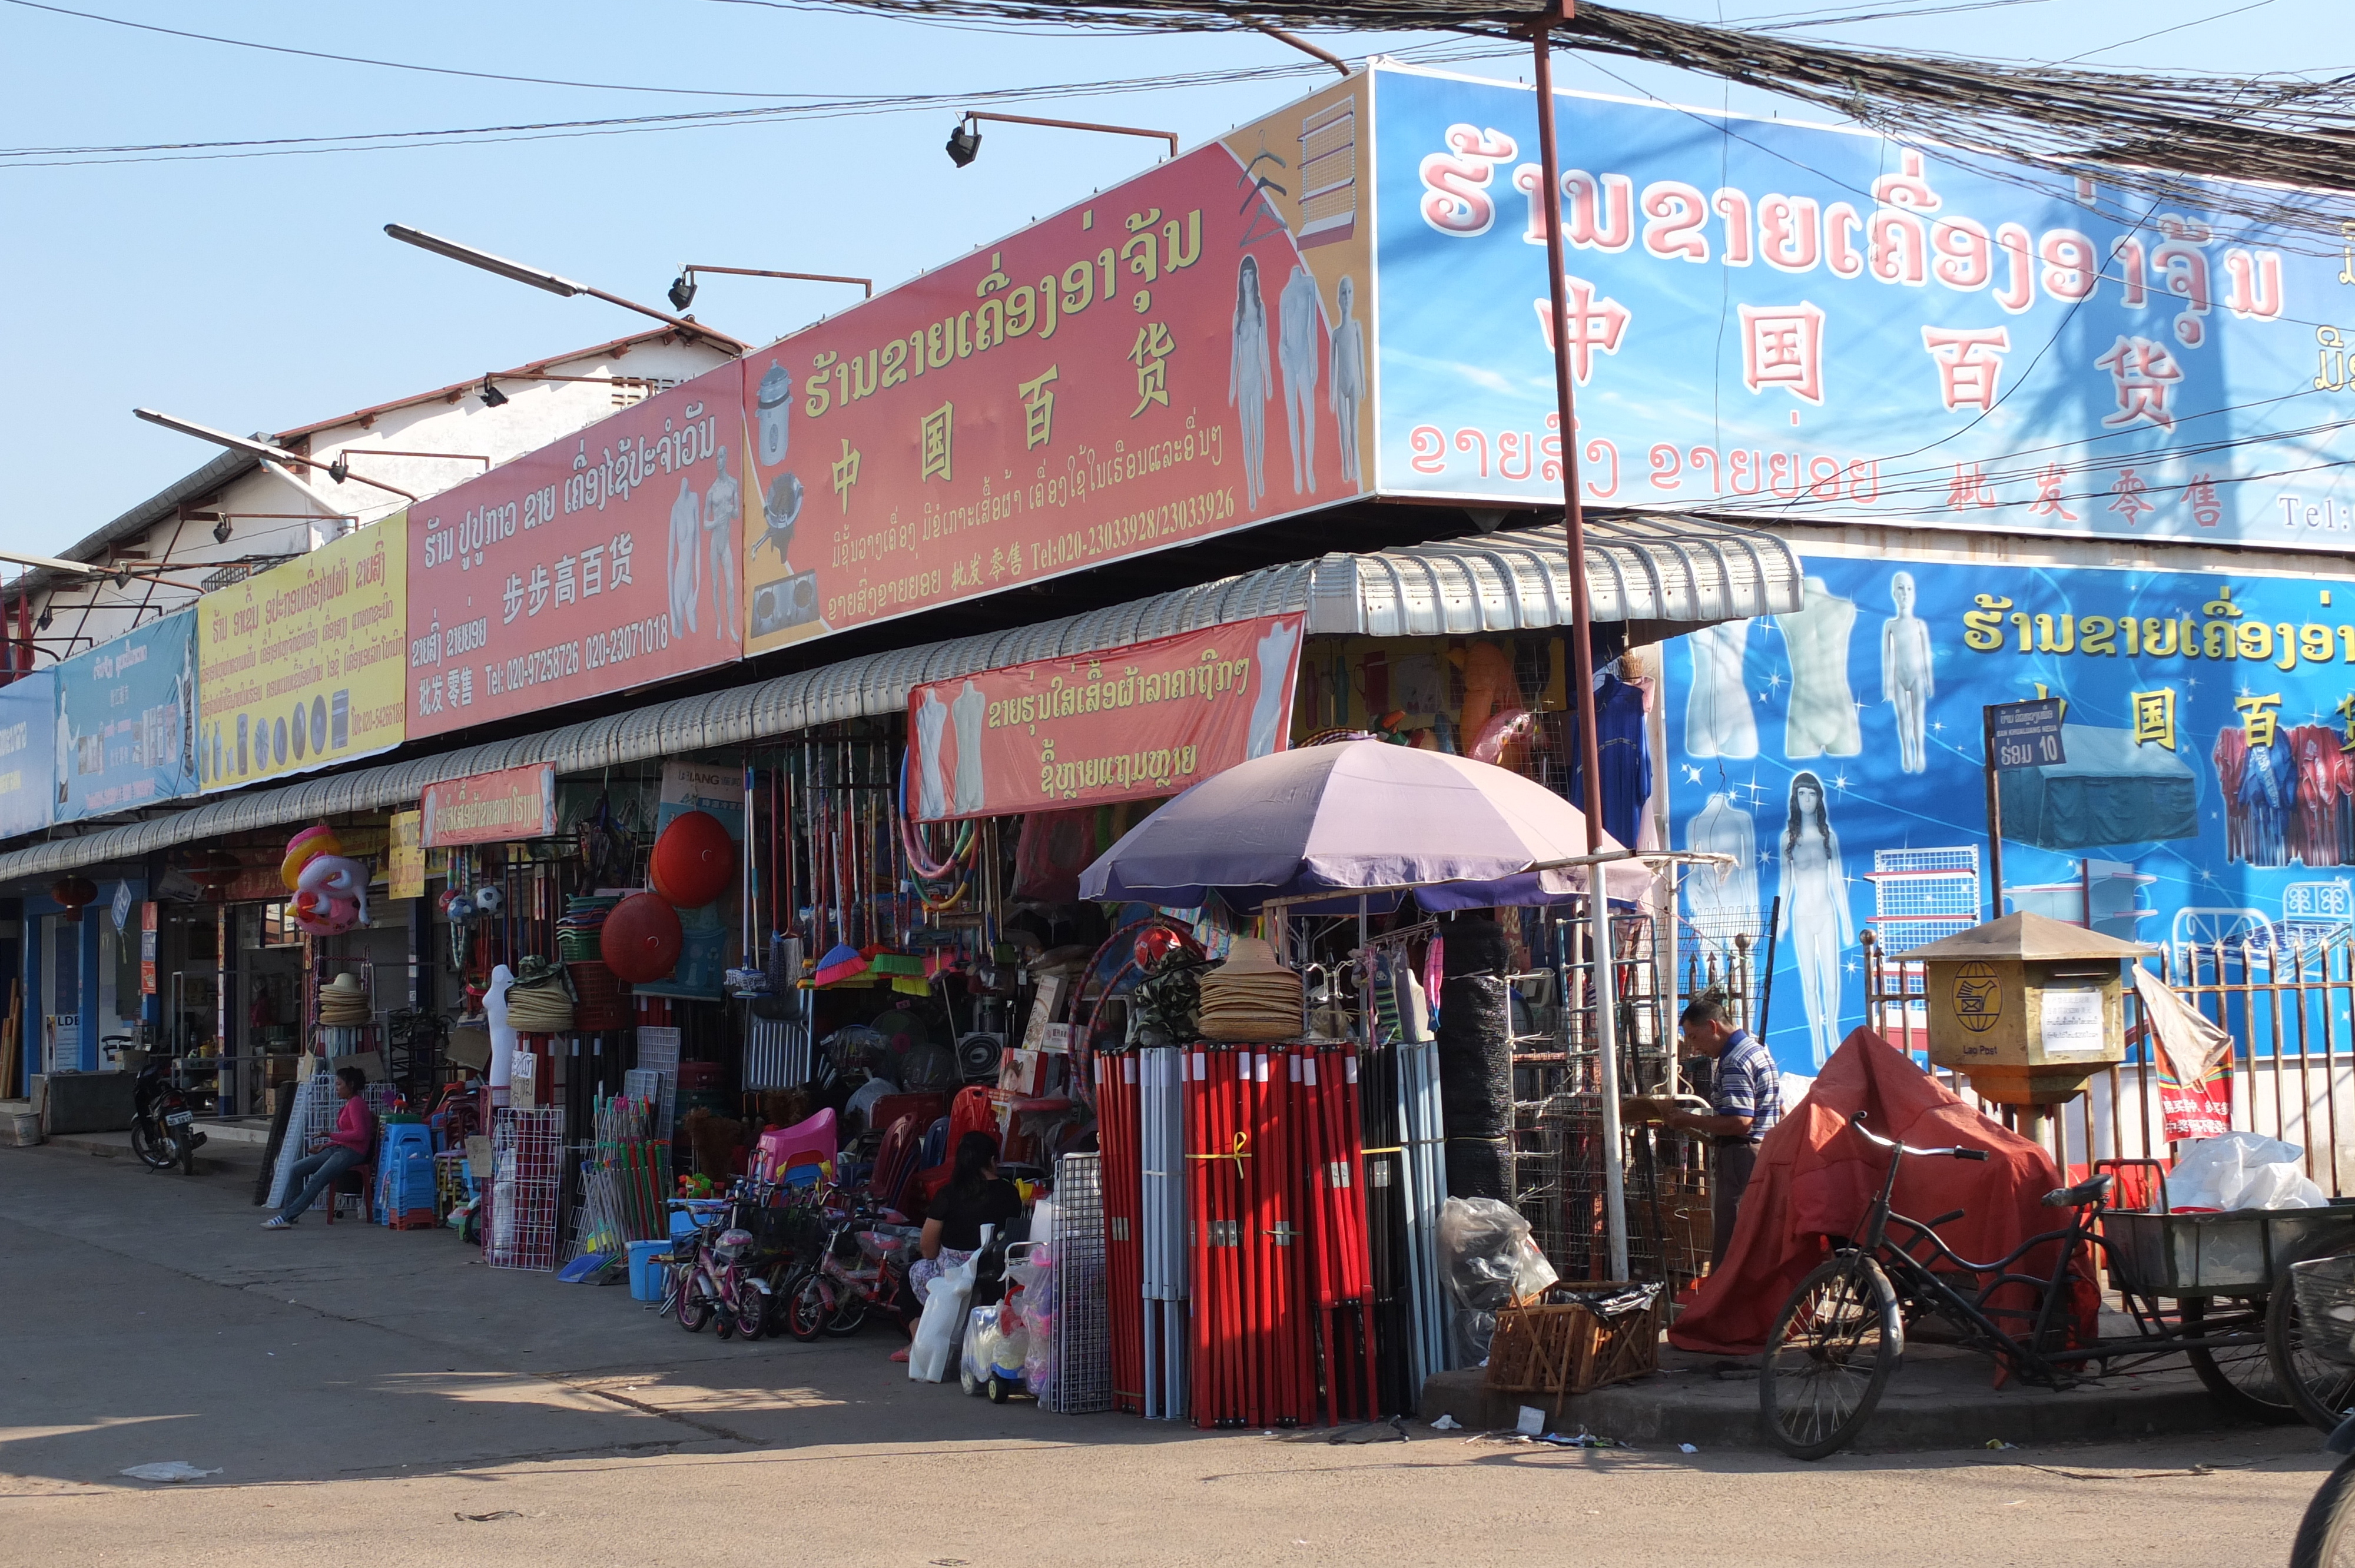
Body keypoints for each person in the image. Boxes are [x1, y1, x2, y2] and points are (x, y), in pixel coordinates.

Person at [1664, 994, 1782, 1269]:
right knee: (1756, 1239)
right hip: (1763, 1151)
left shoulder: (1734, 1062)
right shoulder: (1758, 1050)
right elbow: (1778, 1106)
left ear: (1713, 1027)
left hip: (1742, 1157)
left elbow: (1740, 1120)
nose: (1694, 1048)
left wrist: (1687, 1120)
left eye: (1694, 1037)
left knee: (1733, 1243)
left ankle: (1728, 1305)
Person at [1777, 770, 1854, 1069]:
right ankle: (1818, 1043)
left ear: (1819, 798)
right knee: (1810, 983)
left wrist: (1847, 921)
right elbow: (1785, 883)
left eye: (1812, 794)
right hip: (1801, 915)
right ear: (1795, 799)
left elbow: (1837, 883)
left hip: (1826, 913)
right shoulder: (1789, 838)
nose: (1807, 800)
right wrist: (1781, 918)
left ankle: (1833, 1032)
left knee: (1832, 981)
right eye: (1802, 794)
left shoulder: (1828, 837)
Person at [911, 1132, 1021, 1306]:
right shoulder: (1011, 1193)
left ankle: (919, 1331)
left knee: (909, 1279)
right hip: (995, 1273)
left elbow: (928, 1249)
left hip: (953, 1277)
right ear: (993, 1161)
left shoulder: (948, 1194)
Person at [264, 1067, 374, 1228]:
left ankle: (286, 1217)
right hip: (340, 1148)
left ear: (351, 1085)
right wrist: (326, 1145)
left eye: (339, 1084)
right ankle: (290, 1213)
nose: (336, 1089)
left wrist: (329, 1135)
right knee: (296, 1169)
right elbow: (347, 1136)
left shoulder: (356, 1103)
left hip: (353, 1152)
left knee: (317, 1179)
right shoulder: (349, 1103)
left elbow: (359, 1135)